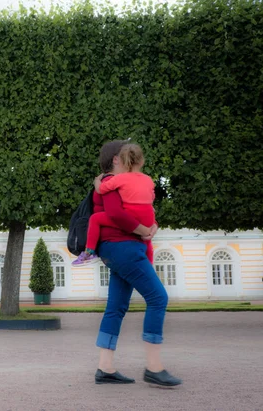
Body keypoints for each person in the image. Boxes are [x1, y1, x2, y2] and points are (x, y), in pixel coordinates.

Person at [92, 140, 182, 388]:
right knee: (158, 298)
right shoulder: (110, 184)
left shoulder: (118, 184)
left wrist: (151, 225)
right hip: (124, 248)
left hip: (119, 249)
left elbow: (137, 209)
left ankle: (105, 367)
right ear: (116, 159)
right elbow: (117, 215)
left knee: (116, 307)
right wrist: (144, 230)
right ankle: (154, 367)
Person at [71, 143, 155, 266]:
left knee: (95, 219)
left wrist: (96, 182)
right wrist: (151, 226)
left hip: (122, 242)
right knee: (147, 249)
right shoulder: (147, 179)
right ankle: (150, 264)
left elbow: (116, 213)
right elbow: (150, 200)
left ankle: (89, 252)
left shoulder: (116, 180)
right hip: (146, 218)